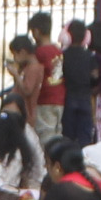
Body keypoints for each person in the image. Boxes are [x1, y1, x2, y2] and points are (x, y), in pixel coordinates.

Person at [57, 18, 99, 151]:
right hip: (85, 99)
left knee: (67, 136)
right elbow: (96, 76)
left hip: (68, 99)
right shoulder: (90, 56)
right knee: (85, 137)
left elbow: (57, 76)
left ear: (67, 37)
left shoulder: (63, 55)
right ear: (86, 37)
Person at [30, 9, 65, 137]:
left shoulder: (39, 53)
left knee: (45, 137)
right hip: (59, 98)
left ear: (37, 32)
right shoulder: (58, 51)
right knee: (56, 134)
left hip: (45, 99)